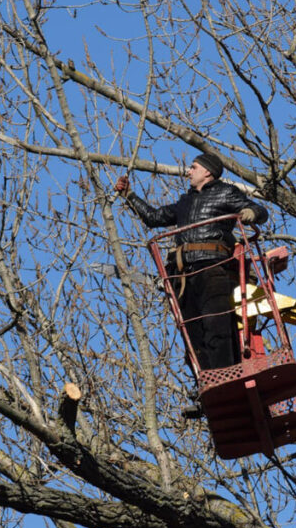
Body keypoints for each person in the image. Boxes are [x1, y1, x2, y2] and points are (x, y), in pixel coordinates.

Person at [115, 152, 268, 371]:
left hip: (213, 268)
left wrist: (249, 212)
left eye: (193, 167)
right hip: (183, 274)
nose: (188, 171)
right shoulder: (185, 202)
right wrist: (129, 195)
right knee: (192, 333)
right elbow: (154, 217)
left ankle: (228, 375)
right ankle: (206, 382)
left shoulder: (226, 193)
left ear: (208, 171)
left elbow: (261, 211)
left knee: (217, 324)